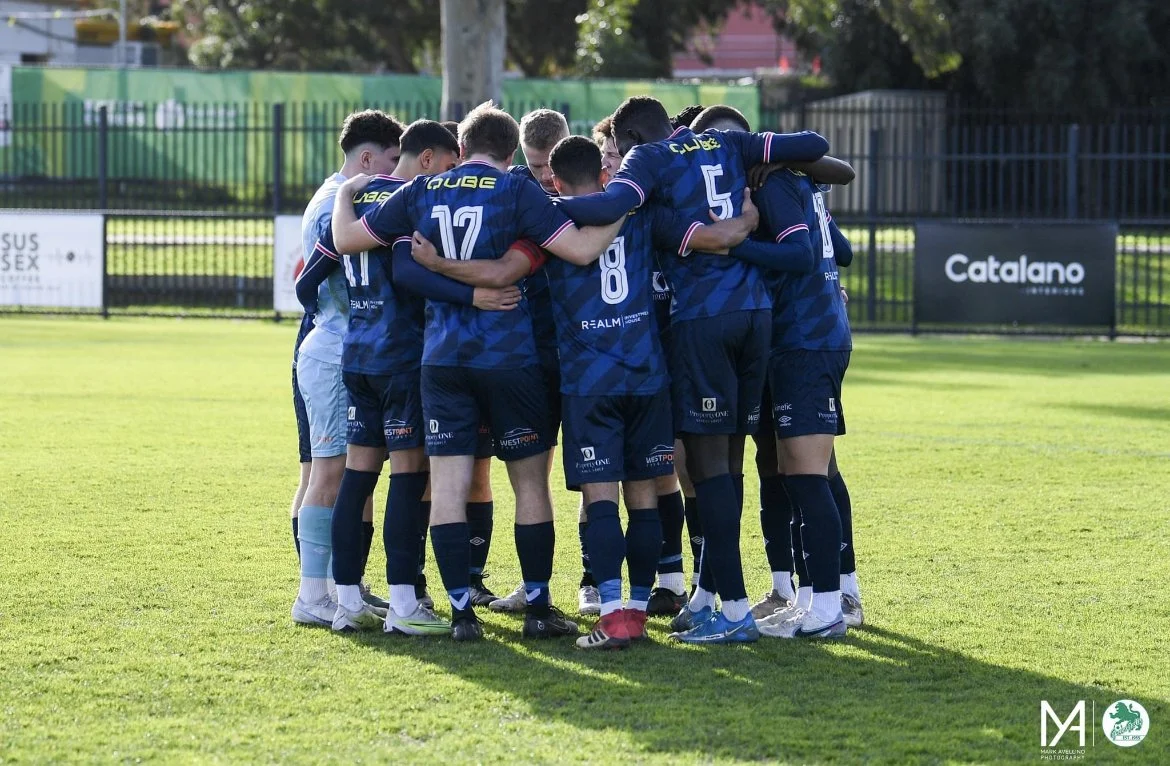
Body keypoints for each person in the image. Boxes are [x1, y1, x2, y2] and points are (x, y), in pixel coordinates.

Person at [329, 102, 626, 641]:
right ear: (511, 153)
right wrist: (627, 206)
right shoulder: (519, 191)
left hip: (441, 360)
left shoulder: (420, 190)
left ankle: (462, 614)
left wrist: (346, 192)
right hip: (509, 358)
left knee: (446, 486)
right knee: (529, 483)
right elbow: (580, 251)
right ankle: (538, 608)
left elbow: (348, 241)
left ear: (460, 148)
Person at [555, 96, 829, 644]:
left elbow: (613, 203)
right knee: (729, 462)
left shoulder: (647, 160)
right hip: (757, 317)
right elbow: (815, 147)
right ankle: (711, 595)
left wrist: (539, 207)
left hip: (703, 319)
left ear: (630, 136)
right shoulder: (728, 142)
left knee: (706, 469)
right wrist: (761, 176)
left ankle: (733, 612)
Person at [298, 120, 518, 633]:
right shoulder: (410, 197)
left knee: (357, 476)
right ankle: (403, 604)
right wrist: (472, 293)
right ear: (427, 159)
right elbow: (408, 272)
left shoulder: (353, 194)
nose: (450, 177)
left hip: (357, 354)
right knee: (406, 477)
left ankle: (347, 600)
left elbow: (314, 271)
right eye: (447, 164)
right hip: (401, 355)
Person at [544, 136, 759, 648]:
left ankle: (613, 614)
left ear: (555, 182)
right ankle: (639, 612)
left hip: (588, 381)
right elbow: (716, 237)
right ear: (605, 174)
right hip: (646, 377)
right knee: (643, 497)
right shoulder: (643, 214)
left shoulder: (546, 217)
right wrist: (747, 220)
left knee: (601, 499)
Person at [696, 105, 856, 639]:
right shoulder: (784, 182)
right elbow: (841, 249)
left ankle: (830, 608)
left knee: (808, 476)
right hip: (803, 339)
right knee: (802, 473)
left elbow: (803, 255)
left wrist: (739, 244)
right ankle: (818, 597)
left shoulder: (773, 183)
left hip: (806, 341)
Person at [487, 108, 609, 617]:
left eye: (547, 169)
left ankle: (593, 580)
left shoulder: (589, 196)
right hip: (530, 354)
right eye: (533, 167)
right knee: (531, 474)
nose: (541, 180)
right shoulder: (514, 190)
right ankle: (534, 583)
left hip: (582, 354)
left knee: (592, 473)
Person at [290, 109, 403, 628]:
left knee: (345, 472)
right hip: (334, 350)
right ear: (365, 158)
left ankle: (344, 590)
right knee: (329, 474)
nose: (393, 171)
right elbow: (308, 281)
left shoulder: (341, 197)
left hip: (342, 349)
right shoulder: (337, 205)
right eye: (390, 160)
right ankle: (312, 596)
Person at [592, 114, 689, 616]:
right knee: (602, 476)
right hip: (606, 362)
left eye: (617, 155)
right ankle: (597, 579)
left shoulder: (652, 207)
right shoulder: (594, 213)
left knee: (662, 470)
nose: (614, 163)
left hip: (660, 351)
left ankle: (670, 578)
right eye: (606, 156)